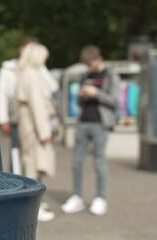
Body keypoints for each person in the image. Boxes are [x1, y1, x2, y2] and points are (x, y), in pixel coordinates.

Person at [61, 45, 120, 216]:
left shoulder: (110, 75)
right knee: (77, 162)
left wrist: (96, 93)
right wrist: (82, 96)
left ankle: (101, 198)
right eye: (86, 64)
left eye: (90, 64)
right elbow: (79, 104)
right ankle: (77, 197)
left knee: (99, 163)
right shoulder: (84, 76)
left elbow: (115, 101)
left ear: (99, 59)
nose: (88, 67)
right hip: (83, 122)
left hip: (100, 124)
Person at [0, 38, 58, 175]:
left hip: (26, 122)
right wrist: (44, 132)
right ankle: (27, 193)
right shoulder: (28, 74)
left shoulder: (30, 72)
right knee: (30, 162)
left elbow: (53, 86)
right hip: (30, 124)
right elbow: (37, 106)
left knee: (26, 159)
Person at [16, 42, 56, 222]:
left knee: (31, 165)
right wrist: (44, 132)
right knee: (32, 167)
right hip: (33, 126)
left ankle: (33, 206)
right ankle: (32, 209)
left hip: (28, 125)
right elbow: (37, 106)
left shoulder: (25, 73)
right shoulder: (31, 75)